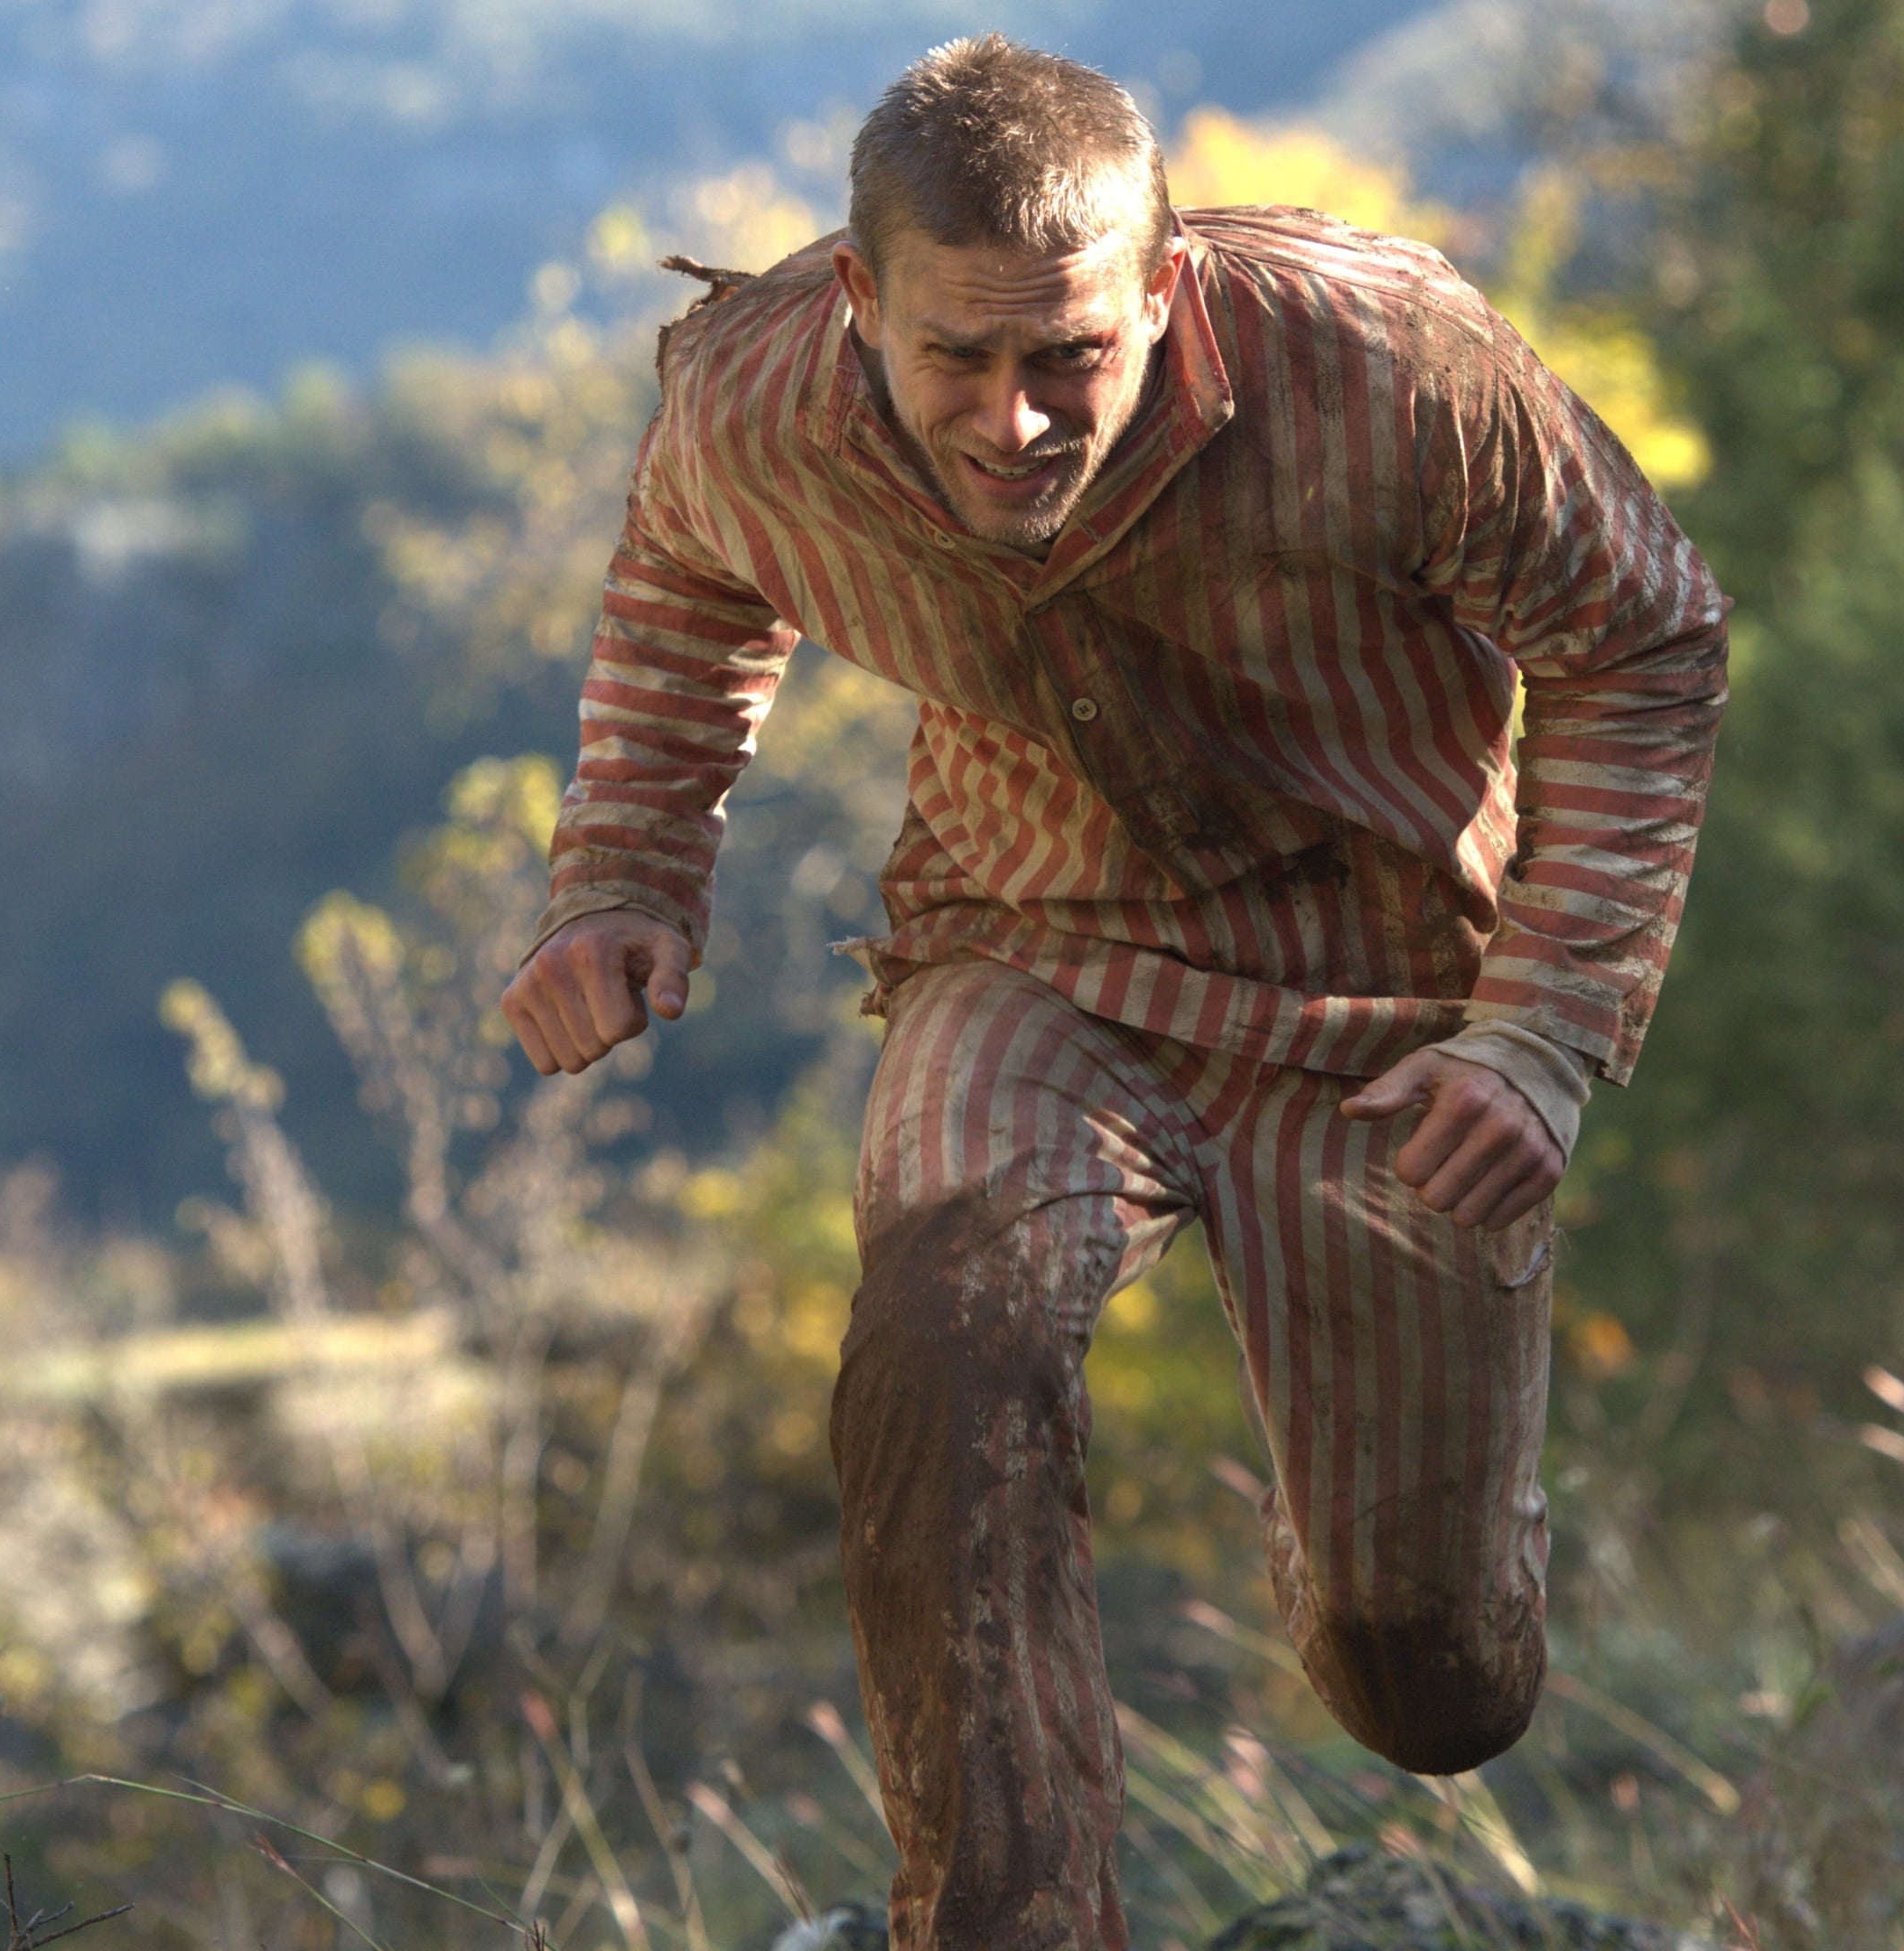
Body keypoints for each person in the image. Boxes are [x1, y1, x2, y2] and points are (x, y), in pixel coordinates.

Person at [498, 34, 1728, 1951]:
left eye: (1067, 354)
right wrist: (627, 877)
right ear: (860, 300)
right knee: (947, 1317)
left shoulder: (1397, 367)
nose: (1011, 421)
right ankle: (1010, 1924)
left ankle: (1380, 1557)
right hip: (1031, 946)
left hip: (1391, 1008)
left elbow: (1642, 642)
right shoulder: (752, 402)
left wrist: (1548, 1028)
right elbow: (684, 588)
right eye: (955, 358)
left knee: (1434, 1684)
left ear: (1162, 288)